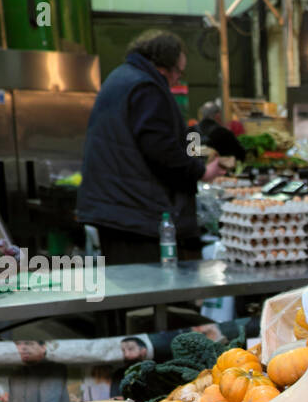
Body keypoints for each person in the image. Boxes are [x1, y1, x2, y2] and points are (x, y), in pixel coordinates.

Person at [77, 30, 227, 265]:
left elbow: (176, 138)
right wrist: (202, 172)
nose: (179, 79)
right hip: (134, 213)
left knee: (130, 289)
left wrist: (195, 145)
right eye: (179, 72)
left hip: (118, 208)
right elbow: (160, 149)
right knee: (144, 287)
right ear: (164, 66)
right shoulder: (146, 87)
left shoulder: (121, 78)